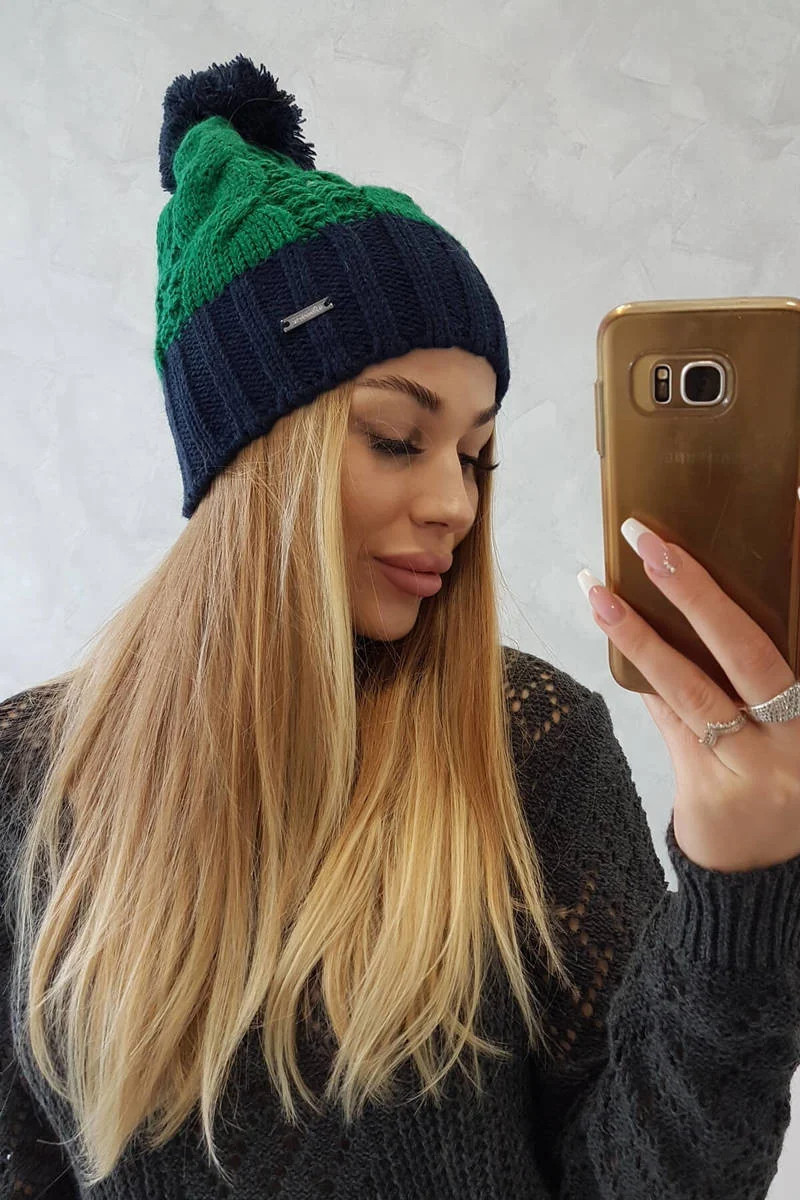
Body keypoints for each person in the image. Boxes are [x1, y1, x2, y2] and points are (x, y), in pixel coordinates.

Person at [1, 53, 799, 1200]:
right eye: (394, 438)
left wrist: (735, 886)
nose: (454, 504)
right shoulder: (28, 784)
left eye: (475, 454)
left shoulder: (530, 747)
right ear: (248, 457)